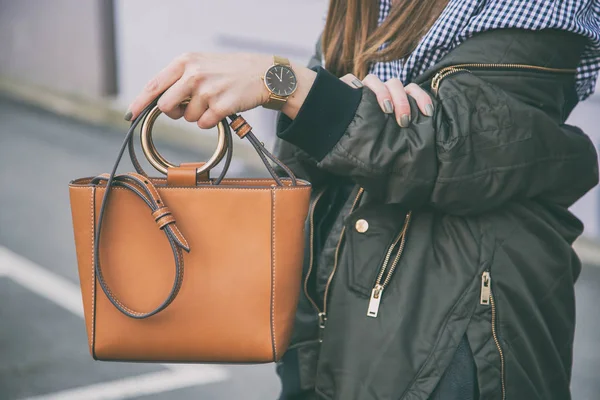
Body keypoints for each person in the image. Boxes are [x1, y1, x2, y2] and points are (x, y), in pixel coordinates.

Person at [125, 0, 600, 398]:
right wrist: (337, 99)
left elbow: (461, 148)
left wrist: (282, 83)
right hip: (328, 308)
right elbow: (318, 147)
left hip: (455, 327)